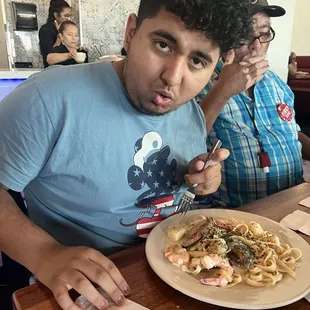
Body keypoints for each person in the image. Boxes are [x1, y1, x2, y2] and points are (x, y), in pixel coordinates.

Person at [0, 0, 252, 309]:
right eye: (163, 45)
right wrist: (43, 254)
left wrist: (203, 181)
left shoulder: (191, 112)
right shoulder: (49, 98)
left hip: (179, 278)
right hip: (82, 288)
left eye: (198, 61)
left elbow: (183, 183)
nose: (173, 78)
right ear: (131, 32)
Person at [198, 0, 310, 208]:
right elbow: (184, 140)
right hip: (236, 214)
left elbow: (291, 134)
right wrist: (223, 90)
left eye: (265, 33)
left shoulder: (278, 85)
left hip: (293, 203)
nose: (257, 45)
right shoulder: (199, 83)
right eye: (243, 35)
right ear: (222, 37)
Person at [39, 0, 72, 68]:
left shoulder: (65, 30)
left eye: (70, 16)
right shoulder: (45, 30)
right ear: (56, 15)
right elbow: (49, 58)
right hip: (53, 71)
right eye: (66, 15)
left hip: (66, 70)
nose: (69, 19)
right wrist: (59, 36)